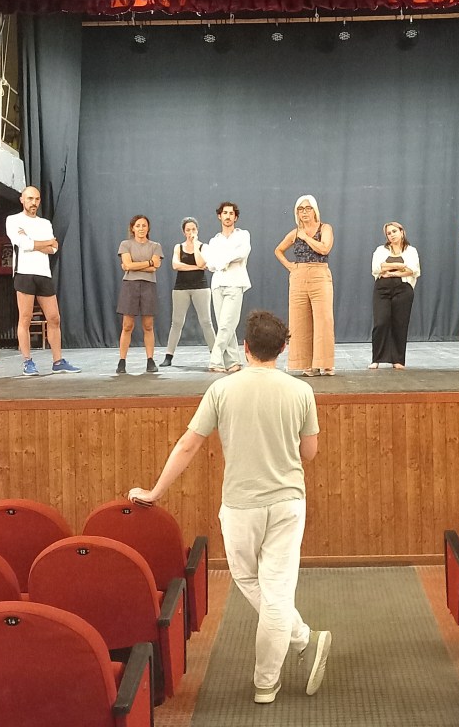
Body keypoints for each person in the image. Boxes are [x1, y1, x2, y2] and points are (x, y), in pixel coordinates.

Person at [128, 309, 331, 705]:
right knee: (276, 592)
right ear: (283, 348)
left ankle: (273, 673)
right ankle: (298, 643)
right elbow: (309, 453)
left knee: (250, 581)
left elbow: (188, 445)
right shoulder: (301, 391)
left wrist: (155, 492)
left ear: (246, 346)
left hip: (240, 506)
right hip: (288, 503)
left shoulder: (222, 390)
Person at [5, 185, 79, 375]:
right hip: (24, 273)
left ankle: (58, 361)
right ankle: (27, 362)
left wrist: (35, 243)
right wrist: (45, 242)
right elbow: (24, 244)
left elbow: (53, 249)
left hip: (44, 274)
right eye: (30, 198)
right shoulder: (13, 220)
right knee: (25, 318)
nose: (34, 203)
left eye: (37, 199)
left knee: (54, 317)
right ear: (22, 199)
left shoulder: (45, 223)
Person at [274, 195, 335, 376]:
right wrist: (290, 266)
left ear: (315, 210)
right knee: (299, 321)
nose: (304, 212)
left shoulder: (325, 228)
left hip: (319, 274)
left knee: (323, 320)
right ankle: (306, 364)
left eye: (308, 208)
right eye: (300, 209)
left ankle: (325, 363)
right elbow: (278, 250)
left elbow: (324, 248)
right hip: (298, 276)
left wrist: (305, 237)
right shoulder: (294, 233)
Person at [202, 201, 251, 374]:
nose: (228, 216)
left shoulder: (243, 235)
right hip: (217, 284)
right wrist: (224, 260)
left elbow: (242, 253)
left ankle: (215, 360)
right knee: (225, 325)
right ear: (219, 216)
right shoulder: (214, 241)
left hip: (235, 283)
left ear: (235, 217)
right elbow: (210, 264)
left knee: (226, 325)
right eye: (225, 213)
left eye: (231, 213)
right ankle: (234, 362)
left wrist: (224, 260)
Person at [161, 217, 216, 368]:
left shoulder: (203, 247)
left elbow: (201, 262)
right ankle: (168, 356)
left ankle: (215, 354)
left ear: (197, 230)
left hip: (200, 287)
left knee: (206, 322)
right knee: (177, 322)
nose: (191, 232)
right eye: (188, 230)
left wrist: (196, 246)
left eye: (193, 229)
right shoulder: (178, 247)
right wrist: (196, 268)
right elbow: (175, 265)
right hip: (181, 287)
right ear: (184, 232)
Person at [116, 215, 164, 375]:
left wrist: (133, 266)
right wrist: (148, 263)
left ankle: (150, 360)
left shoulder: (155, 246)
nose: (141, 228)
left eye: (144, 225)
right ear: (132, 228)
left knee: (148, 325)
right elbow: (127, 264)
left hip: (148, 285)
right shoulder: (126, 244)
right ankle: (122, 361)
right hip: (130, 285)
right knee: (127, 325)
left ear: (148, 228)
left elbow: (154, 267)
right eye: (138, 226)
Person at [368, 222, 420, 370]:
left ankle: (398, 359)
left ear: (402, 232)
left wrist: (391, 271)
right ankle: (376, 358)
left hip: (403, 288)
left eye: (394, 231)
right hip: (382, 288)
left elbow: (413, 270)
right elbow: (377, 268)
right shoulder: (380, 250)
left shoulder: (411, 251)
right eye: (389, 233)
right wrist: (400, 266)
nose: (392, 235)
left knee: (400, 323)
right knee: (381, 322)